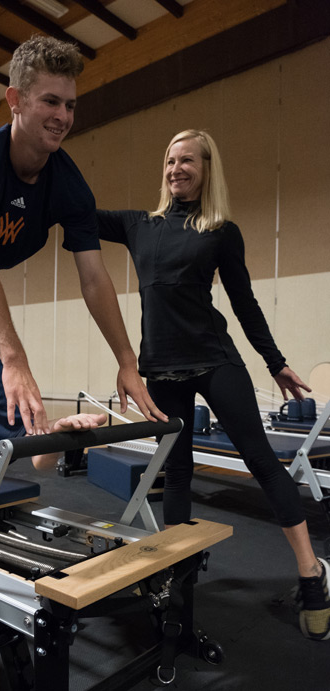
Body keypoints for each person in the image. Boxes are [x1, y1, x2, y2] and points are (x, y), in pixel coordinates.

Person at [96, 129, 329, 641]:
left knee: (263, 462)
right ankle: (180, 586)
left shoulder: (221, 230)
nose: (176, 167)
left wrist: (275, 362)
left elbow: (244, 303)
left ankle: (312, 574)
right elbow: (76, 211)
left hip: (213, 359)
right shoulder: (139, 225)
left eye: (188, 160)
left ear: (206, 169)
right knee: (177, 475)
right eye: (170, 159)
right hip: (161, 370)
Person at [0, 35, 164, 477]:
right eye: (50, 102)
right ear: (16, 100)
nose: (63, 117)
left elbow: (95, 278)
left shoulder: (70, 185)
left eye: (71, 105)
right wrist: (16, 363)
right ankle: (32, 439)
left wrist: (126, 361)